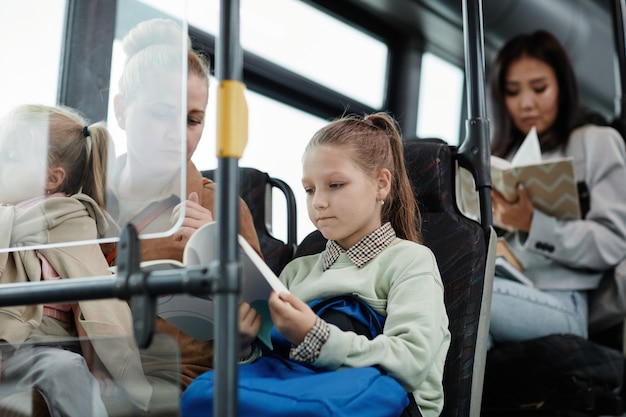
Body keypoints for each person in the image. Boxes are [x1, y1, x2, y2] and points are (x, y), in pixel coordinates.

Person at [237, 112, 451, 417]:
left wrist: (314, 334)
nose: (318, 202)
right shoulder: (297, 271)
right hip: (297, 392)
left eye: (335, 185)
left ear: (381, 183)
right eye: (310, 190)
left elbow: (410, 363)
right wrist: (244, 345)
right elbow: (270, 363)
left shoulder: (410, 261)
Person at [108, 18, 263, 391]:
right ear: (122, 110)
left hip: (174, 385)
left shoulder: (222, 209)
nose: (178, 134)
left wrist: (241, 330)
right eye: (162, 113)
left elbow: (258, 337)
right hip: (80, 366)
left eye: (193, 120)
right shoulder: (80, 197)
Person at [0, 104, 153, 416]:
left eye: (10, 157)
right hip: (10, 341)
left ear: (52, 178)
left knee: (66, 369)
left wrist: (98, 364)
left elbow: (96, 299)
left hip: (46, 348)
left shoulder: (74, 224)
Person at [487, 30, 626, 346]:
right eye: (512, 92)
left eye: (539, 88)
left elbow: (615, 242)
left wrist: (533, 225)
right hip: (507, 281)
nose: (526, 103)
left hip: (564, 301)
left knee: (461, 296)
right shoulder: (502, 159)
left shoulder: (596, 142)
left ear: (562, 88)